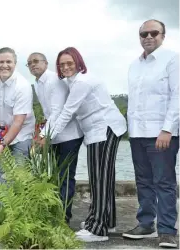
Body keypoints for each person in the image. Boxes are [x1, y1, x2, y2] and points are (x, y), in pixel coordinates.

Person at [44, 47, 127, 242]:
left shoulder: (82, 82)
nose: (65, 67)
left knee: (100, 179)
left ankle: (98, 229)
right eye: (62, 64)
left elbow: (67, 112)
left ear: (78, 62)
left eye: (69, 63)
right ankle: (104, 220)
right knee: (101, 177)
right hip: (94, 132)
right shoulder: (72, 82)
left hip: (105, 129)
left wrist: (47, 138)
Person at [122, 19, 178, 249]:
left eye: (154, 33)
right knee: (143, 181)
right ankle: (145, 223)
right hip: (137, 133)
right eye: (144, 33)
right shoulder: (134, 65)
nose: (148, 37)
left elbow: (177, 96)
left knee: (164, 182)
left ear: (162, 35)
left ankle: (166, 230)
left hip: (161, 133)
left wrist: (168, 129)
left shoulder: (172, 59)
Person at [27, 52, 85, 224]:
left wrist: (43, 136)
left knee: (65, 176)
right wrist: (41, 135)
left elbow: (57, 111)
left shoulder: (54, 80)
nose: (33, 65)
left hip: (69, 135)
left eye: (36, 61)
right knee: (53, 176)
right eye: (29, 63)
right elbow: (48, 113)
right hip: (53, 136)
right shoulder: (38, 83)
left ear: (46, 63)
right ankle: (54, 212)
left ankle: (63, 217)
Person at [0, 47, 35, 182]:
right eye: (1, 62)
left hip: (22, 136)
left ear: (15, 64)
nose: (4, 65)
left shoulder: (23, 86)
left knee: (20, 176)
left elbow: (18, 122)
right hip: (3, 133)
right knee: (4, 174)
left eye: (8, 62)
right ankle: (6, 204)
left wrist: (2, 144)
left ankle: (21, 203)